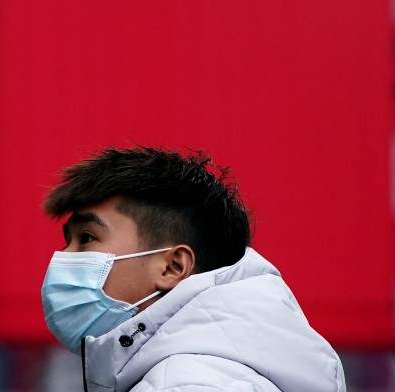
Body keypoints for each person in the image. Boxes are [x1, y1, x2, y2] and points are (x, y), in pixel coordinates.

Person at [40, 146, 345, 392]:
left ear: (173, 266)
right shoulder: (215, 373)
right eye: (68, 241)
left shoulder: (185, 384)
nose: (64, 257)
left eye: (87, 238)